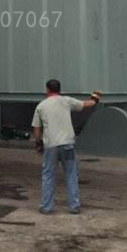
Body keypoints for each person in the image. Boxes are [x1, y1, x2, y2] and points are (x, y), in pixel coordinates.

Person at [31, 79, 101, 214]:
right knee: (71, 175)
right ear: (60, 89)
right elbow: (89, 104)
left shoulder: (41, 106)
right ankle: (74, 206)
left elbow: (37, 130)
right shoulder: (66, 101)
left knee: (48, 176)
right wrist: (95, 96)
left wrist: (38, 144)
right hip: (68, 144)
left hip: (51, 145)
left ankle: (46, 207)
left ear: (47, 89)